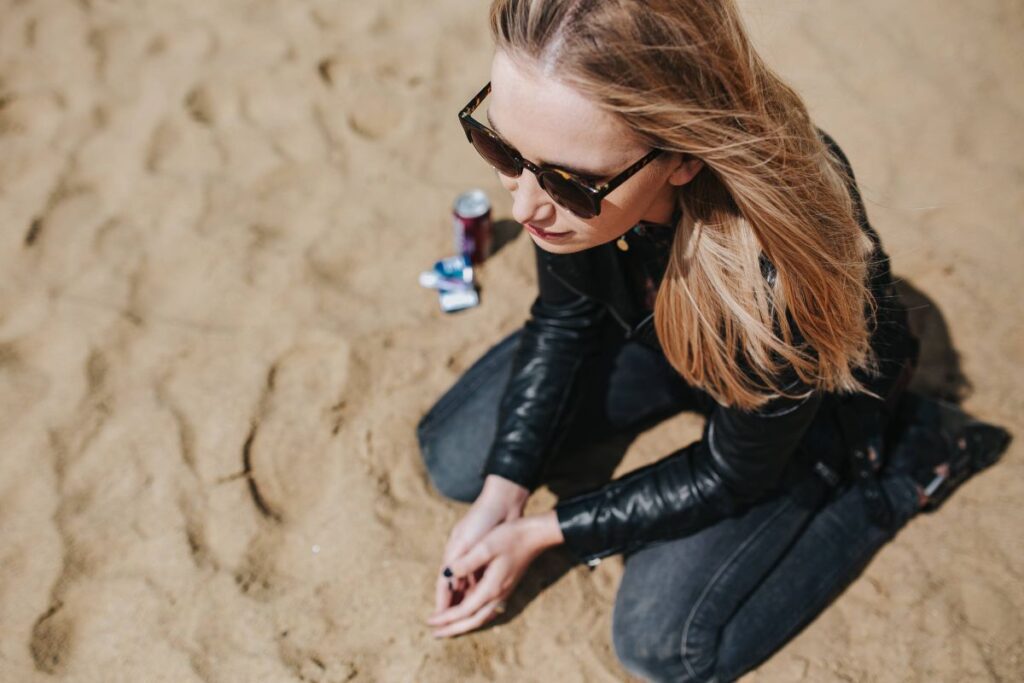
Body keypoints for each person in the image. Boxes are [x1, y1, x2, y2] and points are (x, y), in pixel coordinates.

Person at [417, 1, 1012, 680]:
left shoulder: (777, 264)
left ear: (678, 158)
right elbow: (567, 319)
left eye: (569, 184)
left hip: (806, 402)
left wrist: (545, 532)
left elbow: (735, 471)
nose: (522, 206)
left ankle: (917, 456)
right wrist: (505, 489)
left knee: (663, 643)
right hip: (657, 333)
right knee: (455, 456)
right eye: (502, 150)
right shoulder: (561, 175)